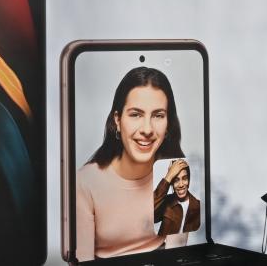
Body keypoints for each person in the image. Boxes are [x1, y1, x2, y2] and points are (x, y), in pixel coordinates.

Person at [75, 67, 185, 261]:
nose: (147, 129)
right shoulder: (85, 182)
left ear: (168, 124)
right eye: (136, 114)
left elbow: (177, 255)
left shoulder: (179, 175)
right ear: (117, 120)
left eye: (158, 115)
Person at [154, 159, 201, 238]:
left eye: (185, 178)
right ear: (171, 183)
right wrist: (168, 176)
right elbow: (147, 215)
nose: (181, 184)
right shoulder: (166, 202)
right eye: (176, 180)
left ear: (189, 180)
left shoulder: (199, 206)